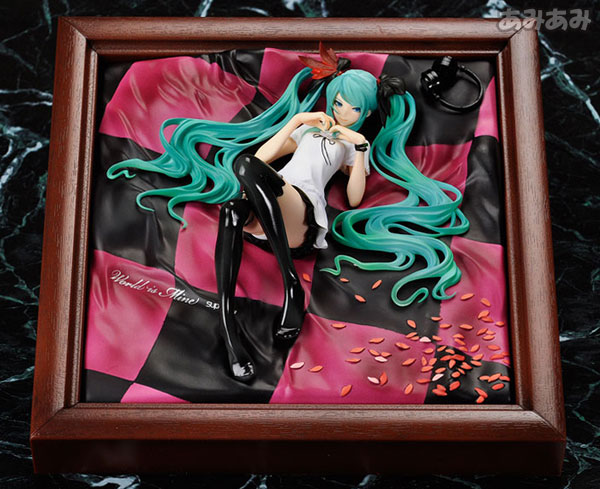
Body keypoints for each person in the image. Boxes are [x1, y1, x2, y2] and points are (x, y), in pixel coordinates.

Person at [107, 47, 469, 382]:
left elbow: (355, 198)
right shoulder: (308, 129)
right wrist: (295, 122)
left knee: (246, 174)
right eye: (338, 102)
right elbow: (260, 160)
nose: (341, 111)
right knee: (233, 205)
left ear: (367, 114)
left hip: (301, 217)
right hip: (268, 210)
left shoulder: (350, 146)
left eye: (353, 109)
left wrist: (360, 149)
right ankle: (232, 325)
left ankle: (289, 284)